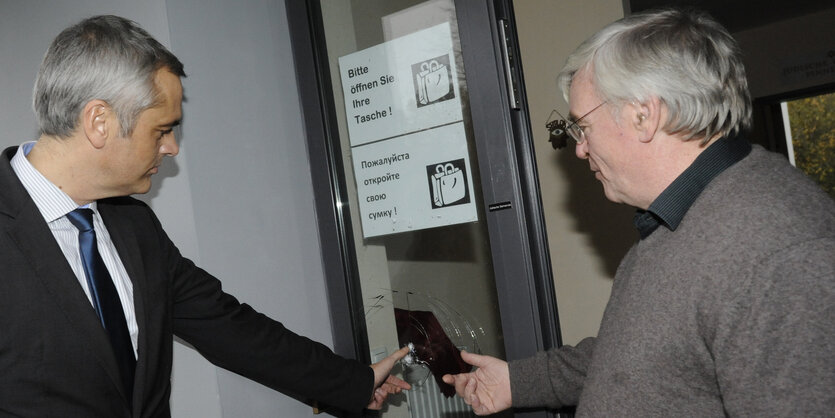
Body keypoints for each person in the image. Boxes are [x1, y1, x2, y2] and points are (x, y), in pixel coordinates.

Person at [0, 15, 410, 417]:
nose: (172, 147)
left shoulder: (134, 225)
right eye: (161, 130)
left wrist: (353, 382)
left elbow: (229, 327)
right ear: (99, 122)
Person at [443, 8, 835, 417]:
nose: (579, 147)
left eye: (582, 126)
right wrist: (517, 382)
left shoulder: (780, 252)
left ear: (643, 115)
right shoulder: (679, 215)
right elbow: (650, 351)